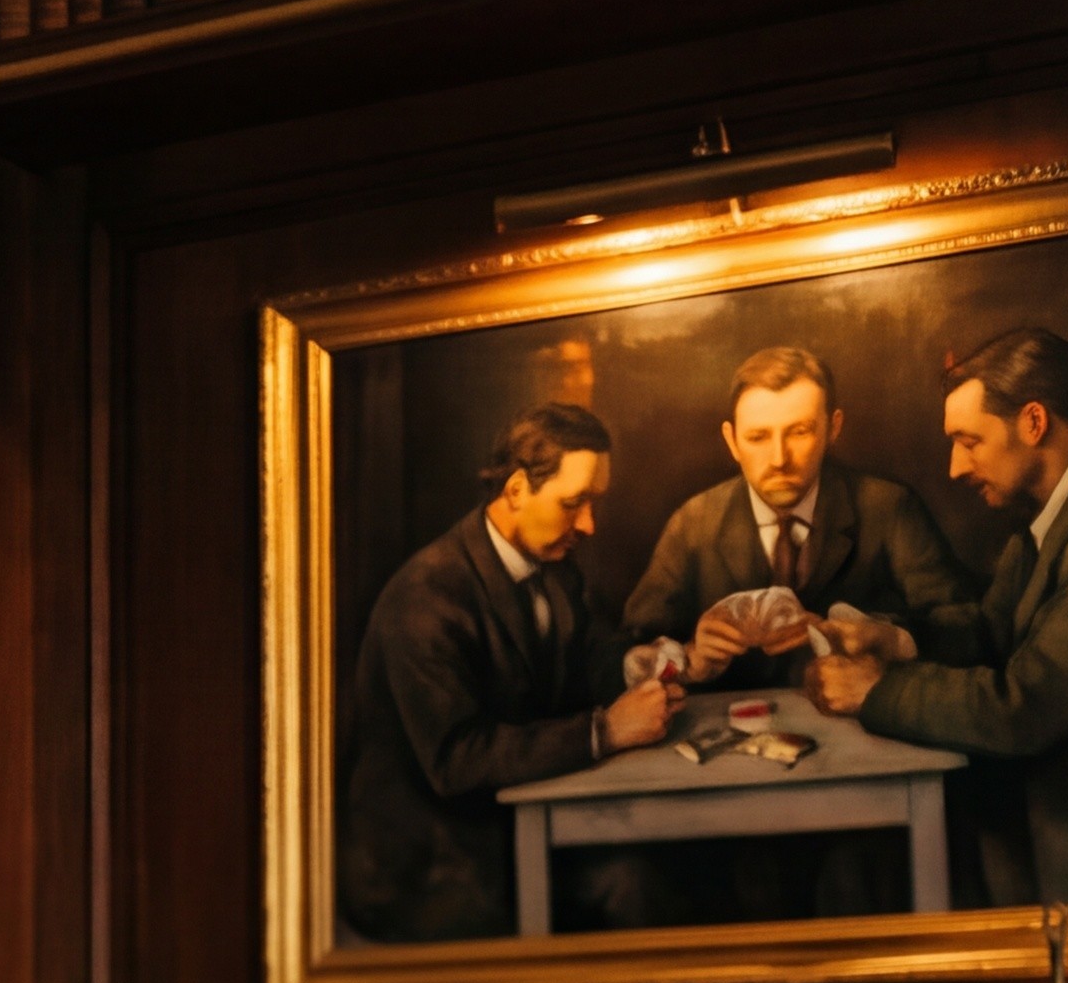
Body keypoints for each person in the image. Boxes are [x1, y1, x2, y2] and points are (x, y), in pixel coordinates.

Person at [334, 400, 674, 944]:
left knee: (661, 874)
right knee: (636, 886)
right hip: (431, 868)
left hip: (512, 830)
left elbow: (586, 657)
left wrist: (647, 665)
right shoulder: (426, 596)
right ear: (516, 490)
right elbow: (457, 759)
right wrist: (604, 731)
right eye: (574, 503)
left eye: (594, 502)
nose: (589, 523)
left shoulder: (551, 564)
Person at [814, 326, 1068, 905]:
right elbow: (991, 632)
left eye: (969, 441)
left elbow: (1028, 706)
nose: (954, 468)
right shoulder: (1046, 521)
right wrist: (896, 640)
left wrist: (878, 691)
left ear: (1034, 423)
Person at [617, 344, 976, 688]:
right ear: (731, 441)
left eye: (799, 432)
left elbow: (966, 627)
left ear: (833, 428)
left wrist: (889, 638)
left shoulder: (889, 507)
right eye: (757, 437)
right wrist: (688, 658)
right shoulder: (694, 523)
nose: (778, 459)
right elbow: (629, 650)